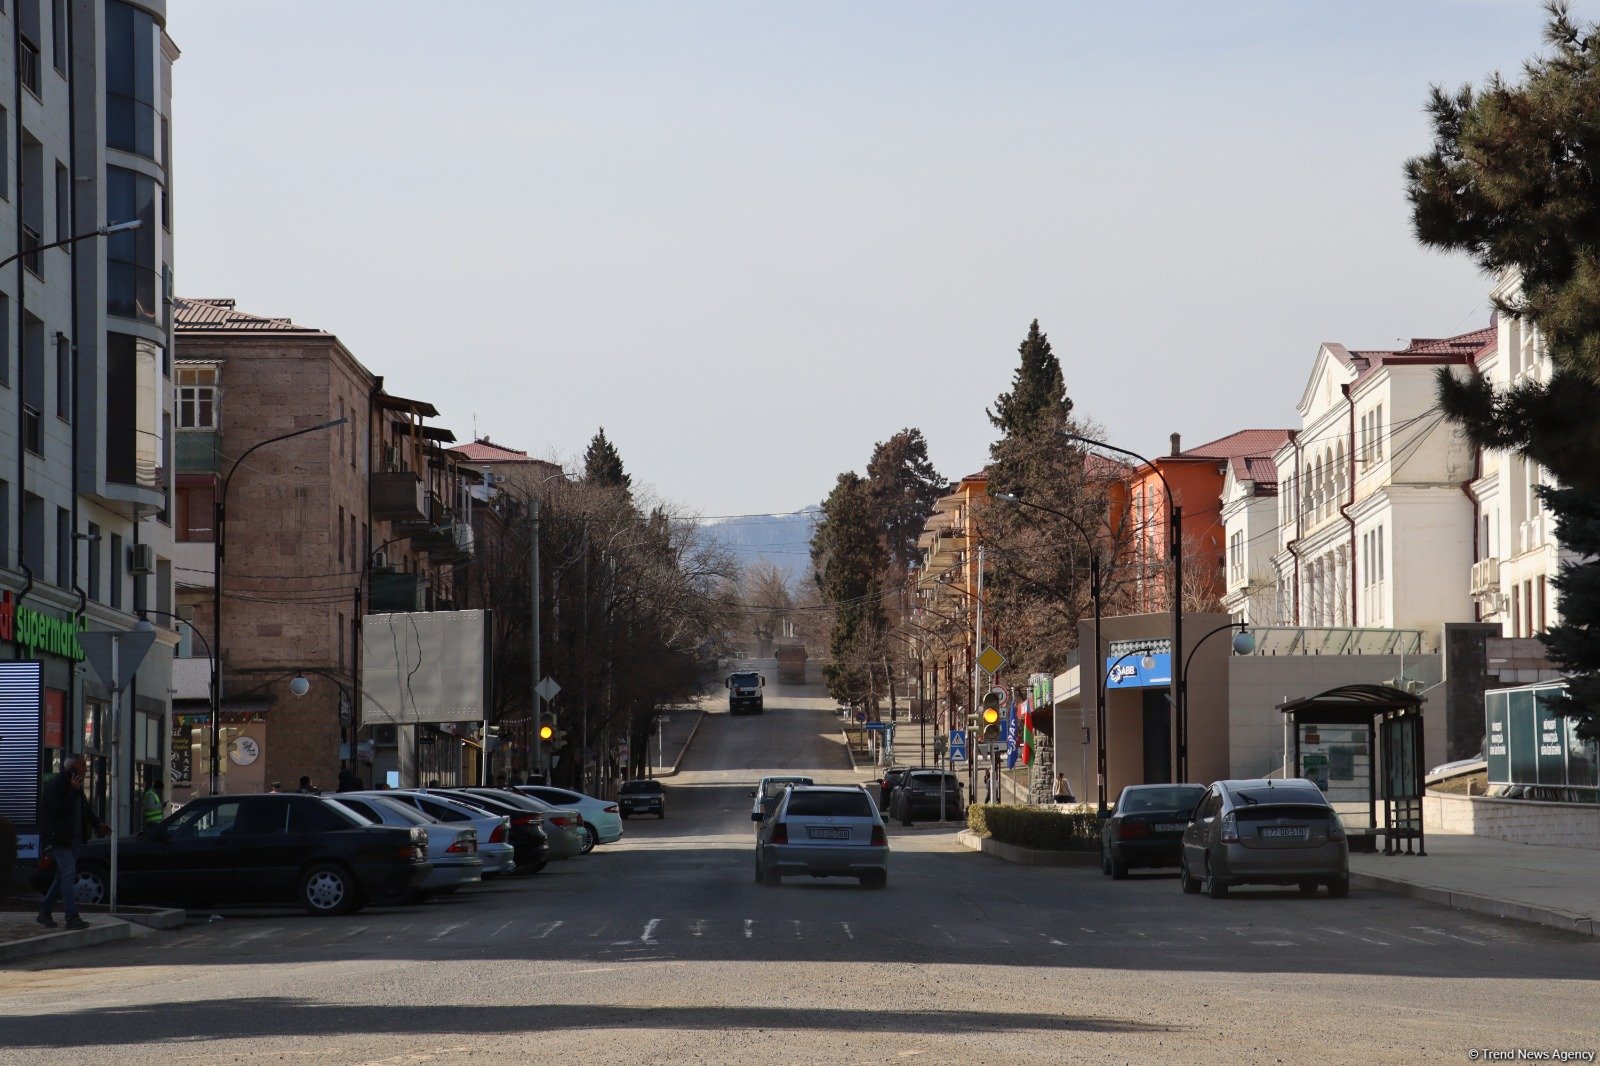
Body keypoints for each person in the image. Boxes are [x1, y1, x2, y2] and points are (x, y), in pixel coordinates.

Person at [38, 754, 109, 930]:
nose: (86, 769)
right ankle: (71, 917)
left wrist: (98, 824)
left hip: (75, 838)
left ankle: (45, 911)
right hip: (59, 839)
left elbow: (85, 810)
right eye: (83, 765)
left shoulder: (76, 786)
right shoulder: (56, 785)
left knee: (63, 875)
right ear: (72, 768)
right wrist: (73, 791)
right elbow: (58, 810)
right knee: (69, 874)